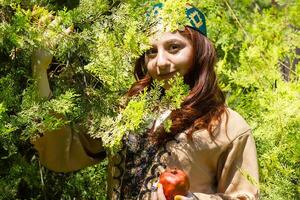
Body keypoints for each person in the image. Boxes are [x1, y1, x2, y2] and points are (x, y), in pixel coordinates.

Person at [31, 3, 259, 200]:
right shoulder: (125, 111)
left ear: (200, 51)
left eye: (174, 47)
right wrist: (40, 70)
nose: (160, 62)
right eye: (151, 51)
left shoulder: (228, 127)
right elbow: (62, 154)